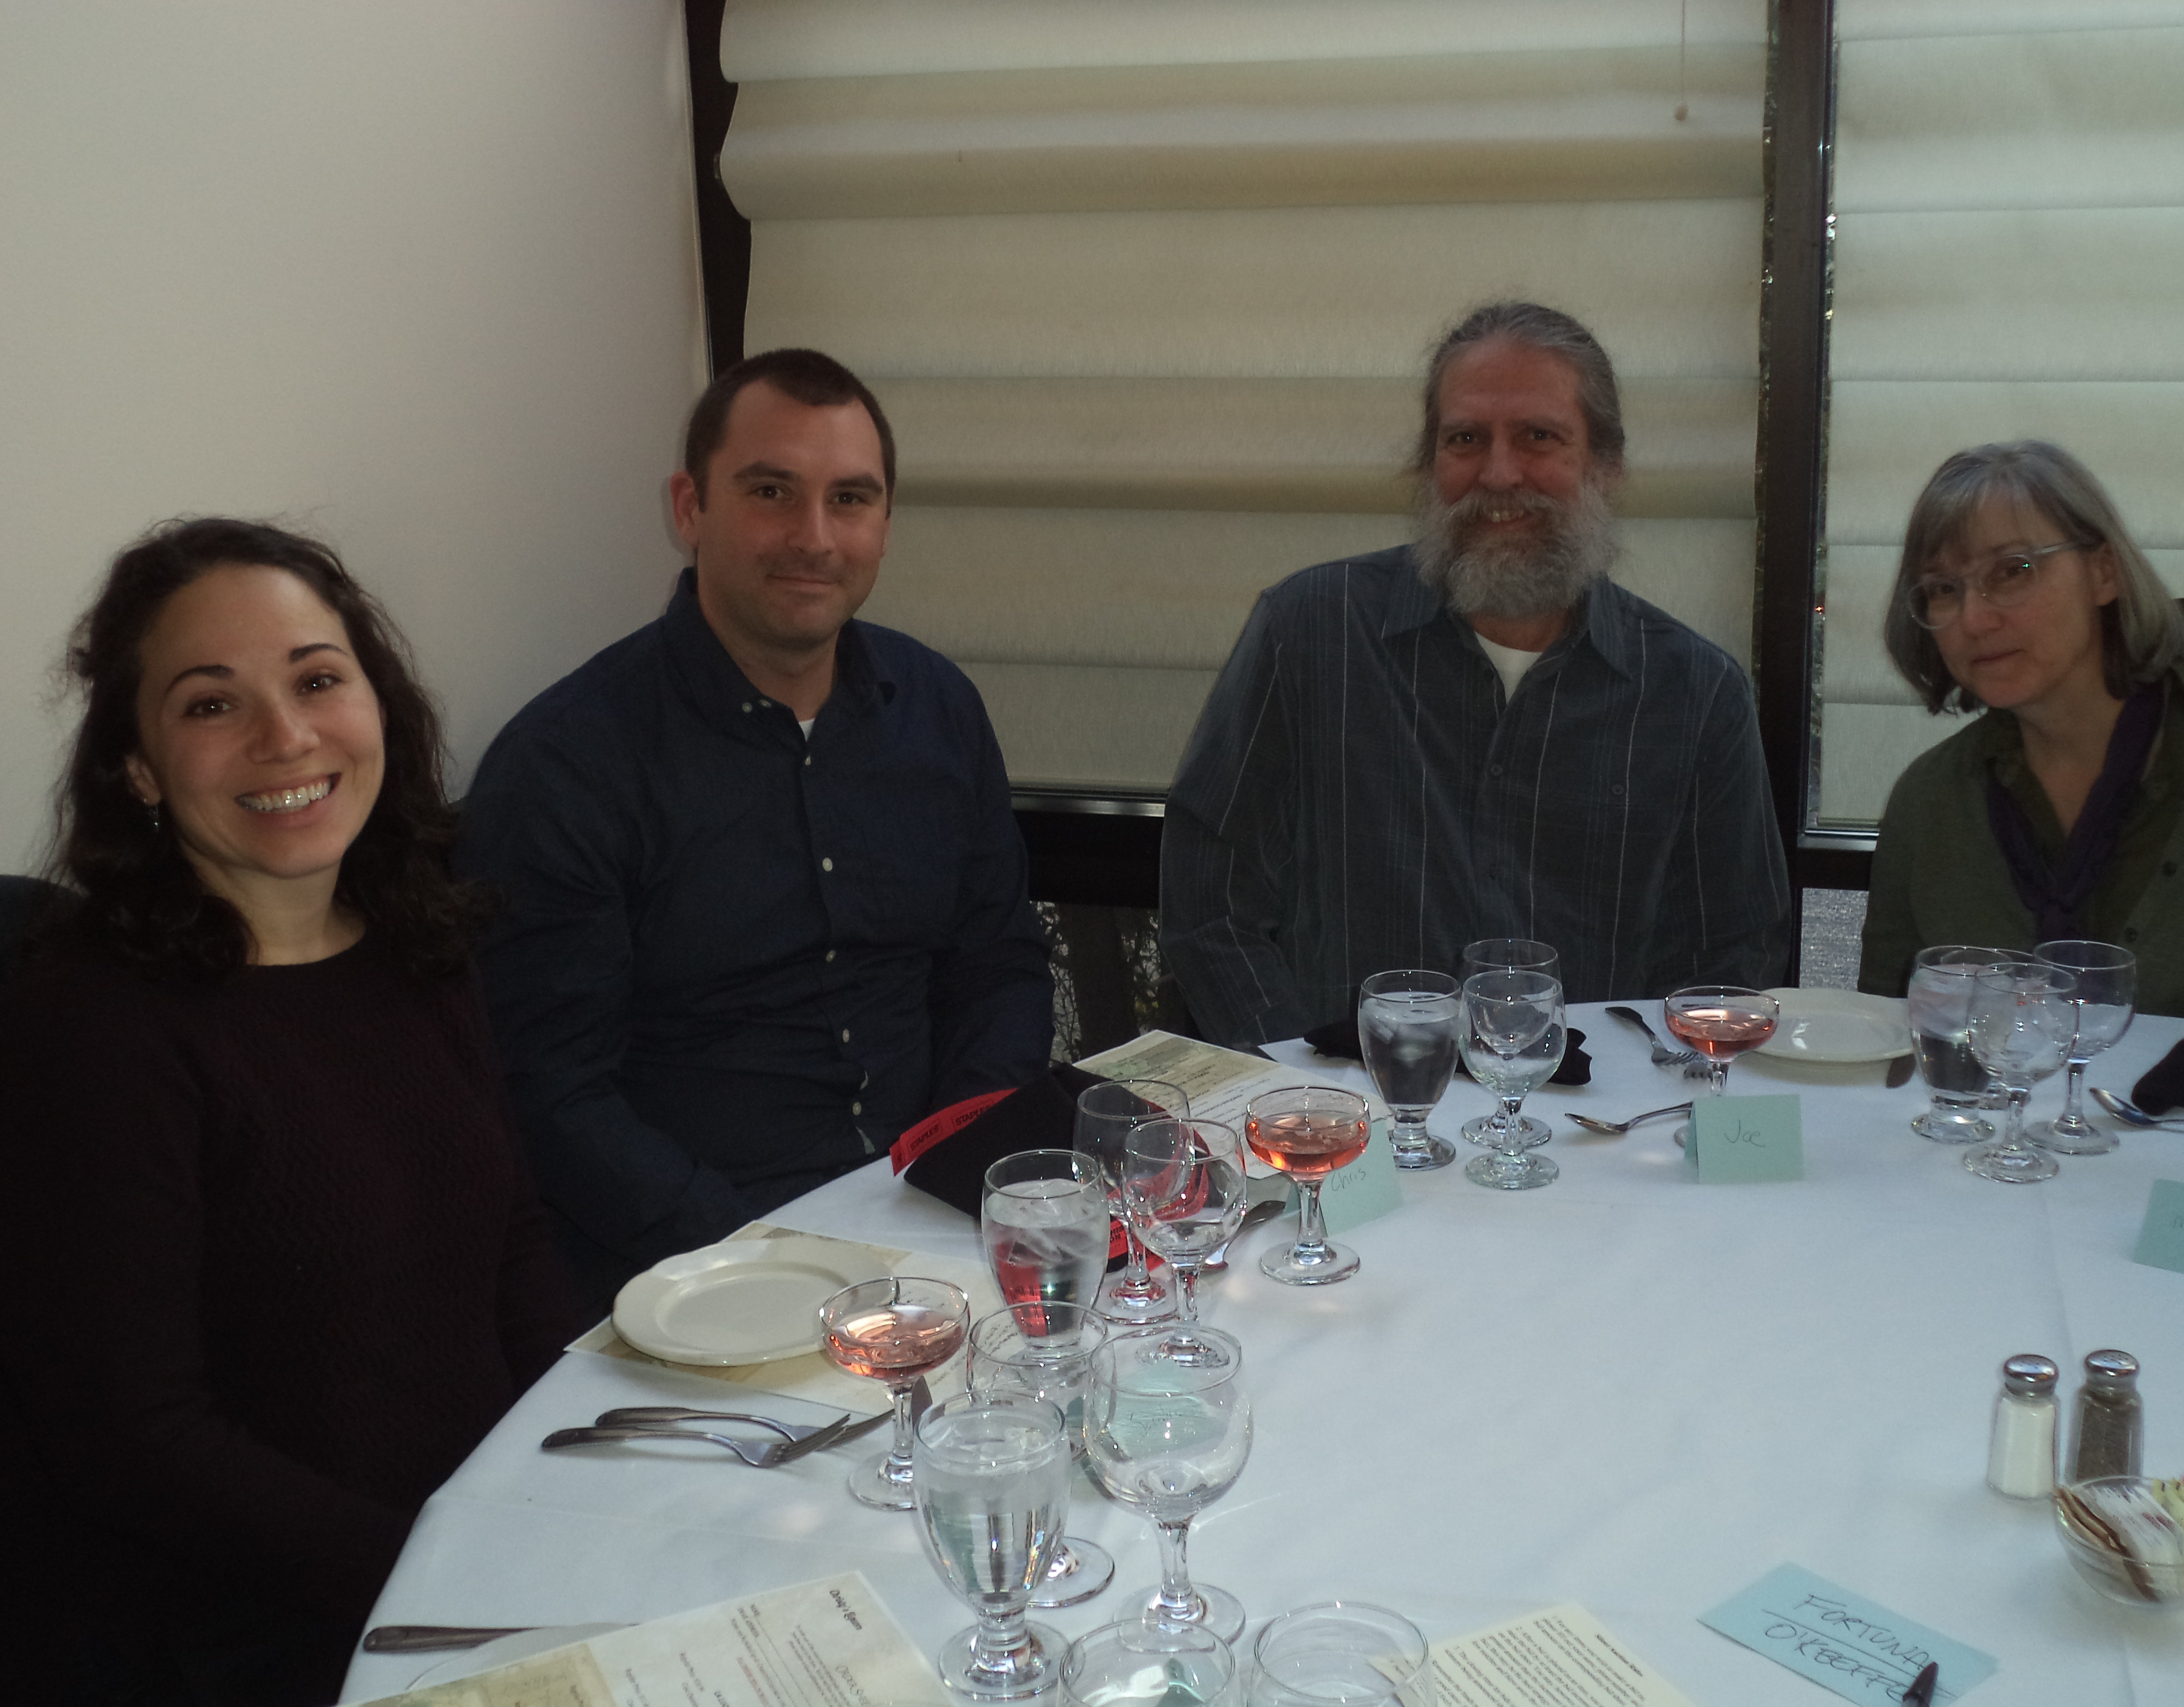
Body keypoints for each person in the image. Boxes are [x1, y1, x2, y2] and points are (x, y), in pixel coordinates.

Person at [0, 518, 580, 1707]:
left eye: (318, 680)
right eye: (212, 703)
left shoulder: (413, 938)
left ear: (377, 704)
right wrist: (443, 1572)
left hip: (477, 1550)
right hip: (262, 1630)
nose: (286, 736)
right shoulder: (94, 1025)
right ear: (139, 766)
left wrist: (586, 1461)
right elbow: (138, 1438)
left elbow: (512, 1240)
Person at [459, 348, 1052, 1305]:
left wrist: (959, 1161)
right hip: (696, 1272)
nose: (813, 537)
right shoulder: (565, 764)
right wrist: (765, 1261)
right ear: (690, 507)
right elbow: (552, 1092)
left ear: (884, 524)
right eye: (771, 491)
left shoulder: (937, 707)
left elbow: (998, 966)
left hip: (932, 1222)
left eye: (849, 499)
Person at [1160, 301, 1789, 1046]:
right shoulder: (1309, 633)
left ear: (1607, 465)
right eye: (1465, 439)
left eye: (1539, 437)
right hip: (1342, 1103)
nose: (1498, 473)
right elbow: (1211, 906)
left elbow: (1729, 959)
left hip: (1588, 1108)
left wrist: (1629, 1090)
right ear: (1430, 464)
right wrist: (1302, 1084)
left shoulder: (1697, 694)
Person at [1858, 441, 2184, 1018]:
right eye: (1944, 589)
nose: (1974, 619)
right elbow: (1886, 1035)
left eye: (2013, 571)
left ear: (2103, 572)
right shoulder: (1929, 801)